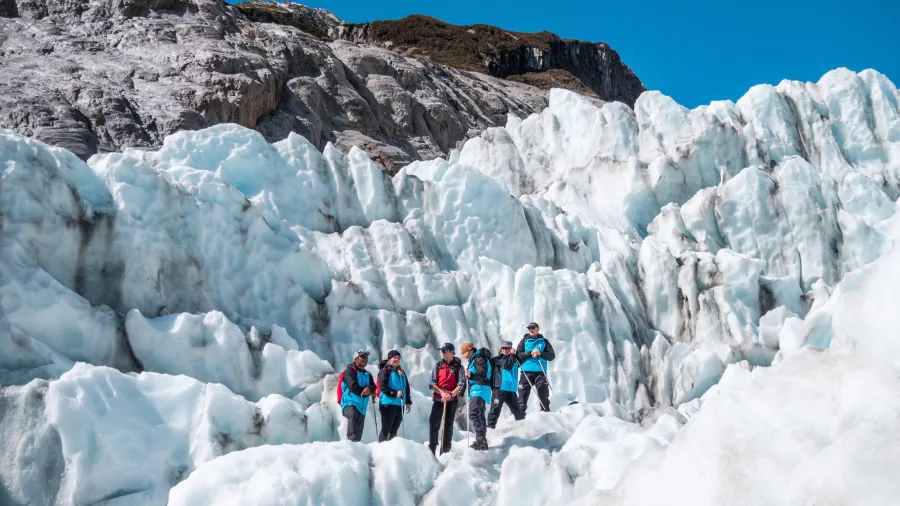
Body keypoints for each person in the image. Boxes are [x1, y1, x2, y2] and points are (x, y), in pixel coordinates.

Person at [428, 342, 465, 455]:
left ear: (452, 352)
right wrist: (442, 393)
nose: (443, 353)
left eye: (445, 351)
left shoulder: (459, 367)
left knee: (448, 424)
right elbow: (432, 384)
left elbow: (460, 384)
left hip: (451, 399)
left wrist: (450, 395)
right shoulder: (438, 365)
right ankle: (433, 446)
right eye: (442, 351)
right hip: (439, 398)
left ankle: (446, 448)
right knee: (434, 422)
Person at [517, 322, 556, 414]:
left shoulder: (544, 341)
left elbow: (551, 356)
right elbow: (518, 354)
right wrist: (529, 353)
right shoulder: (524, 341)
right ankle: (520, 415)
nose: (531, 329)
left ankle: (545, 412)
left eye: (533, 328)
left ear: (537, 329)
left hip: (540, 371)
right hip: (526, 371)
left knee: (543, 393)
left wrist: (541, 353)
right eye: (529, 328)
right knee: (522, 394)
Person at [460, 341, 492, 451]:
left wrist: (471, 374)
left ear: (470, 350)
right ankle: (482, 440)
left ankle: (481, 439)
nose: (465, 357)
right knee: (480, 414)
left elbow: (482, 374)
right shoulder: (474, 359)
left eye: (465, 354)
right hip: (480, 390)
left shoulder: (478, 358)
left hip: (480, 389)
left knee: (473, 413)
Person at [340, 349, 375, 442]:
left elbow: (374, 387)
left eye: (366, 357)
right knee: (353, 415)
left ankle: (356, 448)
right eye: (362, 356)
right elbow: (352, 386)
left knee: (359, 431)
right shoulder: (349, 371)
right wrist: (365, 392)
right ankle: (351, 441)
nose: (365, 359)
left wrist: (369, 388)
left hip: (362, 407)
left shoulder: (368, 374)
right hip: (349, 403)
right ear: (356, 359)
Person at [487, 341, 524, 429]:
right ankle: (490, 428)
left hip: (511, 390)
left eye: (507, 348)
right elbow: (507, 366)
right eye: (503, 348)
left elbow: (522, 359)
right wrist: (513, 355)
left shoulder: (514, 359)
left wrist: (518, 353)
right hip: (500, 388)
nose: (505, 350)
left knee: (517, 410)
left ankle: (523, 427)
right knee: (495, 409)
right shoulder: (498, 359)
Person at [377, 349, 411, 442]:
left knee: (394, 429)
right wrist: (395, 394)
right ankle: (381, 448)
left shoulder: (401, 372)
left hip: (399, 404)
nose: (396, 360)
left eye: (398, 358)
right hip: (387, 403)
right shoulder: (385, 371)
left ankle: (391, 451)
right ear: (389, 359)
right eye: (394, 358)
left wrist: (408, 401)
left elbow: (406, 387)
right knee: (386, 429)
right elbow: (383, 386)